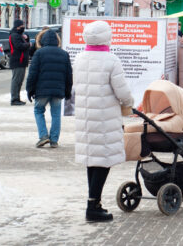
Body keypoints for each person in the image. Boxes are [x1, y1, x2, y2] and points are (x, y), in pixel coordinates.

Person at [74, 20, 134, 222]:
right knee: (102, 161)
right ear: (107, 37)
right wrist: (129, 102)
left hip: (85, 117)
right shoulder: (111, 60)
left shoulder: (80, 58)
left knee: (93, 159)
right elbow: (122, 91)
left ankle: (94, 203)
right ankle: (93, 207)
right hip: (105, 117)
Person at [26, 30, 72, 148]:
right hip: (58, 91)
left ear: (43, 40)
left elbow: (32, 74)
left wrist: (29, 90)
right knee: (56, 114)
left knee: (38, 111)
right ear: (57, 41)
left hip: (41, 90)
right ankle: (54, 140)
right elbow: (68, 75)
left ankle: (43, 136)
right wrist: (67, 92)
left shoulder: (39, 53)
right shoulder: (64, 54)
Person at [8, 19, 31, 106]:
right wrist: (28, 44)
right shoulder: (15, 35)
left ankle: (17, 98)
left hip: (21, 61)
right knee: (16, 80)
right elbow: (19, 46)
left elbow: (22, 43)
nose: (23, 28)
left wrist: (26, 38)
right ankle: (14, 99)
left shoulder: (18, 35)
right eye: (21, 26)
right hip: (18, 61)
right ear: (17, 26)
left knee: (19, 81)